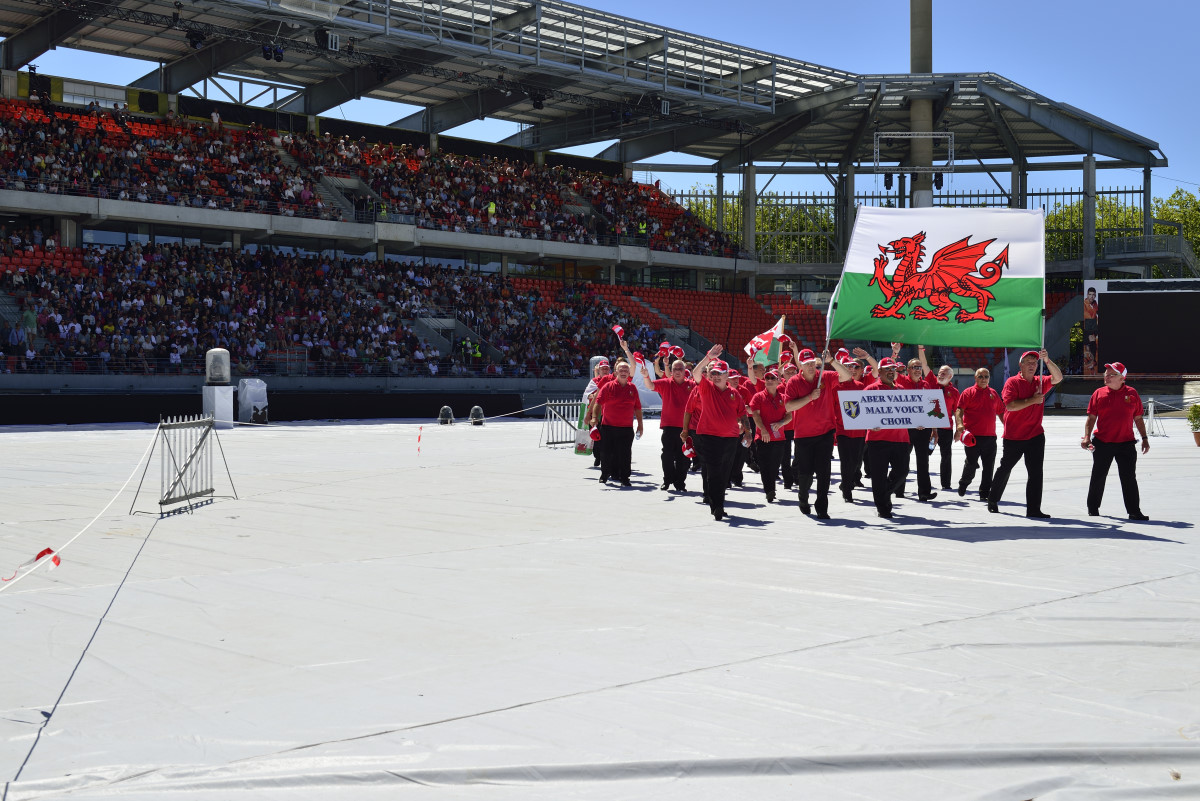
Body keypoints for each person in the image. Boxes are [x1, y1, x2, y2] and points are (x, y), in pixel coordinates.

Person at [988, 349, 1063, 518]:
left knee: (1036, 473)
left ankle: (1034, 509)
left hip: (1035, 435)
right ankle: (992, 499)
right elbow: (1010, 406)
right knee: (1005, 468)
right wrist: (1033, 401)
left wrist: (1048, 361)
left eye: (1035, 362)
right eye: (1028, 362)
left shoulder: (1040, 382)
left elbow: (1058, 378)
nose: (1032, 365)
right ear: (1020, 364)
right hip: (1014, 435)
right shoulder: (1012, 383)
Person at [782, 345, 852, 519]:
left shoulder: (826, 377)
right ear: (801, 366)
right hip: (803, 435)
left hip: (825, 433)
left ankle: (822, 507)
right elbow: (789, 406)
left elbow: (847, 376)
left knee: (824, 472)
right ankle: (803, 498)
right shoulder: (794, 382)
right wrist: (809, 398)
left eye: (813, 363)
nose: (811, 366)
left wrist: (831, 361)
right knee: (805, 473)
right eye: (806, 363)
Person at [1082, 361, 1149, 520]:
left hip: (1126, 444)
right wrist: (1086, 437)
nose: (1107, 377)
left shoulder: (1132, 394)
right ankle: (1093, 508)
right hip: (1102, 442)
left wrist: (1145, 438)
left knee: (1129, 478)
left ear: (1122, 378)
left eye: (1112, 375)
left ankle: (1134, 511)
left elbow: (1138, 418)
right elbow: (1091, 418)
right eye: (1106, 374)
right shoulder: (1098, 393)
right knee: (1098, 476)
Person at [689, 345, 749, 521]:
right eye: (713, 373)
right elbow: (695, 373)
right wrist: (708, 357)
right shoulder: (706, 388)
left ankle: (718, 503)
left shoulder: (734, 394)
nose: (715, 376)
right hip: (709, 437)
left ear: (726, 376)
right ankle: (717, 506)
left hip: (730, 438)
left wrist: (748, 432)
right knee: (714, 471)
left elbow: (742, 414)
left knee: (724, 473)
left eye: (719, 374)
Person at [863, 357, 911, 519]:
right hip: (878, 440)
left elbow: (911, 413)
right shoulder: (870, 390)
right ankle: (883, 507)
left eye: (894, 369)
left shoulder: (902, 391)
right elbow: (861, 414)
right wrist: (869, 424)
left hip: (901, 439)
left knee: (902, 472)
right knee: (878, 476)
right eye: (888, 369)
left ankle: (884, 494)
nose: (892, 372)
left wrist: (919, 421)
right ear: (880, 371)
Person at [585, 361, 643, 486]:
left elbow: (637, 407)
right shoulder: (608, 386)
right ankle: (604, 474)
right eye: (620, 370)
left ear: (629, 373)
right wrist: (594, 417)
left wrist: (640, 424)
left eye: (625, 371)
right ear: (616, 372)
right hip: (608, 427)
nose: (623, 373)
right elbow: (598, 403)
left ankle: (625, 478)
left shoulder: (632, 388)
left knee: (625, 454)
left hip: (626, 428)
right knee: (606, 452)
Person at [644, 356, 694, 492]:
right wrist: (646, 376)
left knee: (684, 457)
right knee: (666, 455)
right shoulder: (666, 383)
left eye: (680, 369)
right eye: (675, 369)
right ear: (671, 371)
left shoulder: (692, 385)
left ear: (685, 371)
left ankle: (680, 483)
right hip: (669, 426)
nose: (678, 371)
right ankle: (667, 480)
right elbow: (650, 386)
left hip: (686, 428)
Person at [954, 368, 1005, 502]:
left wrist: (1008, 426)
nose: (983, 379)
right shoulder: (968, 392)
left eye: (986, 377)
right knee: (971, 464)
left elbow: (1001, 412)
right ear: (975, 378)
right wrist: (959, 425)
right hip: (972, 437)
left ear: (989, 378)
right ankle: (964, 482)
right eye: (980, 376)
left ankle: (984, 492)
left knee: (989, 467)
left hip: (990, 437)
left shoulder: (993, 393)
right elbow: (959, 410)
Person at [748, 369, 793, 503]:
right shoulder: (758, 396)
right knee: (764, 465)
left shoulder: (784, 398)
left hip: (779, 438)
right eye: (767, 378)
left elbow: (789, 416)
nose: (769, 381)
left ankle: (770, 487)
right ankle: (769, 490)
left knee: (774, 465)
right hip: (762, 437)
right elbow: (755, 415)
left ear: (778, 381)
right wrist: (763, 430)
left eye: (772, 378)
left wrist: (781, 422)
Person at [834, 352, 868, 502]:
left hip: (859, 431)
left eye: (854, 367)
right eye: (847, 366)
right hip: (842, 430)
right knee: (845, 460)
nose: (851, 369)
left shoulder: (861, 386)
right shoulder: (835, 386)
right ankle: (847, 490)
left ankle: (845, 483)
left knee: (855, 462)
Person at [931, 362, 960, 491]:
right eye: (939, 372)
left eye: (944, 373)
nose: (940, 374)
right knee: (926, 452)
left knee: (946, 456)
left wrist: (959, 429)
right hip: (931, 429)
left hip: (946, 429)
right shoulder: (931, 386)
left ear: (950, 377)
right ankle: (924, 482)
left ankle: (946, 483)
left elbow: (958, 411)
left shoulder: (954, 392)